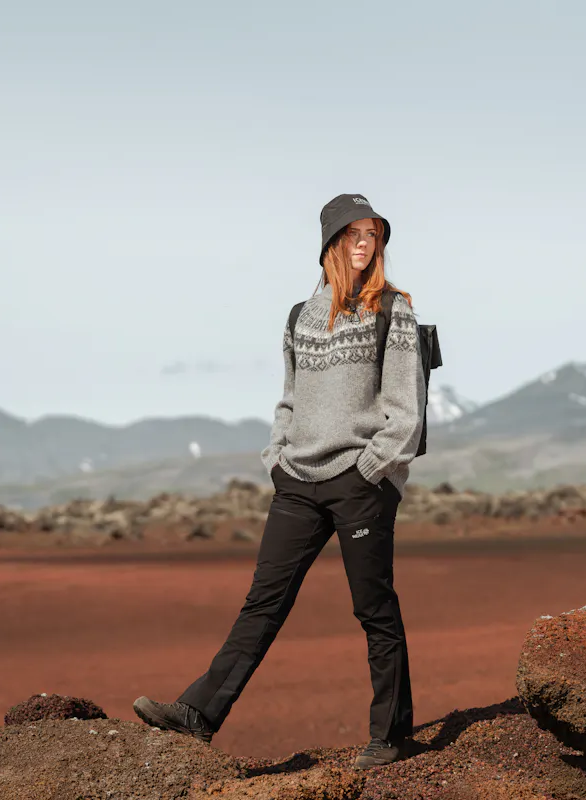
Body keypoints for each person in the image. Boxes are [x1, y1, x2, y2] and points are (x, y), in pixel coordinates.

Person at [133, 193, 426, 770]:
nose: (366, 244)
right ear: (330, 243)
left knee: (374, 608)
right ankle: (199, 715)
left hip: (358, 482)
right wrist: (276, 456)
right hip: (297, 480)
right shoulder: (299, 316)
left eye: (374, 235)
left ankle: (390, 735)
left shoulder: (394, 311)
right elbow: (289, 399)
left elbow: (405, 410)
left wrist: (370, 469)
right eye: (354, 235)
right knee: (262, 603)